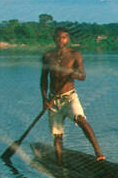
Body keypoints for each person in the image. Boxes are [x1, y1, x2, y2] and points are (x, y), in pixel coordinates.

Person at [41, 27, 105, 166]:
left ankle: (99, 153)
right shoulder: (48, 56)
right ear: (54, 38)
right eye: (58, 37)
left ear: (68, 39)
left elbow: (83, 76)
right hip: (53, 101)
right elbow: (44, 80)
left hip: (69, 97)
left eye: (64, 37)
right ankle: (60, 166)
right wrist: (44, 100)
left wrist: (72, 73)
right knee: (57, 136)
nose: (60, 40)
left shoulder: (75, 54)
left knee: (81, 120)